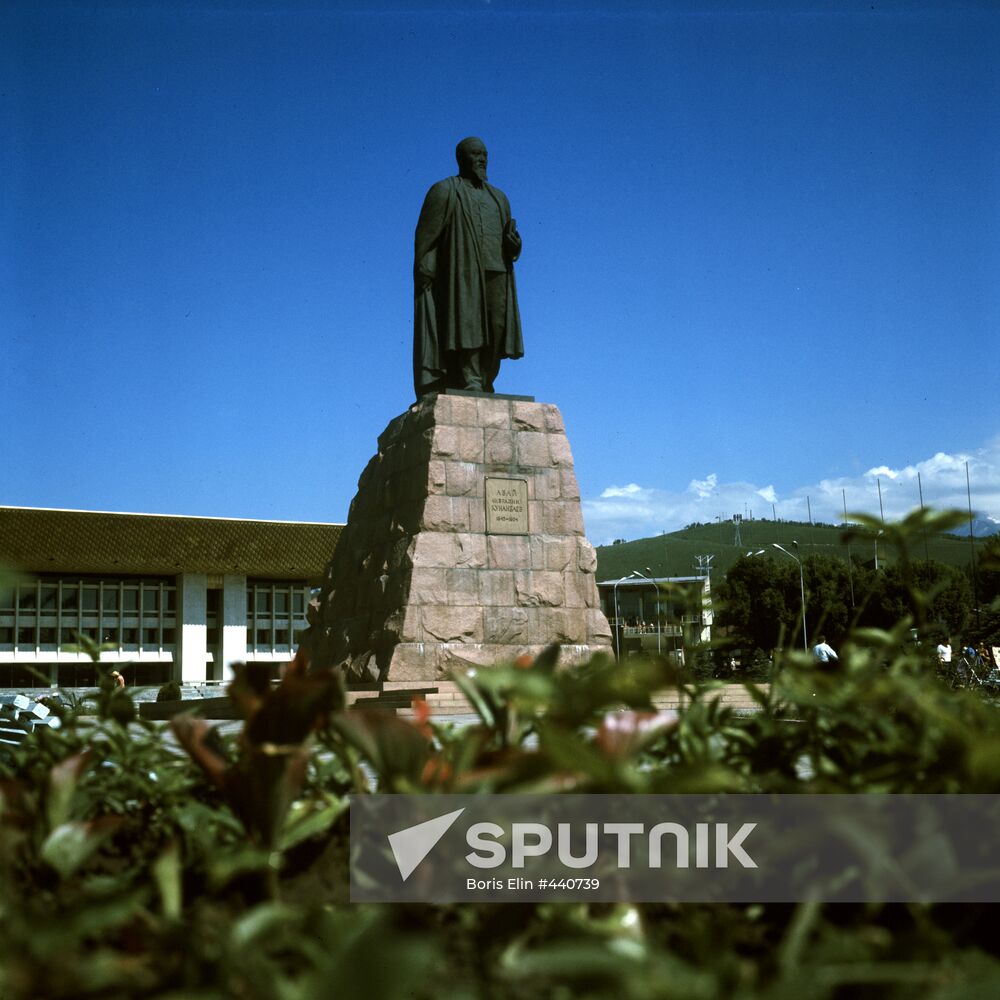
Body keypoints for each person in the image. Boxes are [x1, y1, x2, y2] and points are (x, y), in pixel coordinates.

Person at [413, 137, 524, 397]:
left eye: (484, 154)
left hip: (498, 270)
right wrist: (425, 265)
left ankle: (486, 379)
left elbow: (510, 238)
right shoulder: (445, 190)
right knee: (468, 326)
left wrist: (514, 246)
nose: (482, 159)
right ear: (462, 158)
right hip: (463, 273)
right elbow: (426, 236)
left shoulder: (499, 197)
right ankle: (471, 379)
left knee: (497, 329)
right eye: (475, 154)